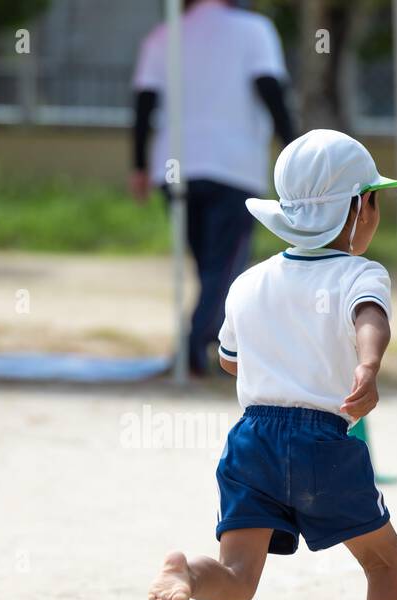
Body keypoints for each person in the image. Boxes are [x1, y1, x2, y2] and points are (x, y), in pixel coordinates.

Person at [147, 129, 397, 600]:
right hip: (321, 445)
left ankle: (186, 573)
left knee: (237, 579)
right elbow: (369, 321)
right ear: (356, 210)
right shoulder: (361, 274)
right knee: (385, 564)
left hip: (252, 441)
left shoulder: (248, 282)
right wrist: (368, 364)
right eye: (373, 200)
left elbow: (228, 359)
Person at [131, 0, 295, 377]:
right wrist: (294, 149)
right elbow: (271, 90)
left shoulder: (162, 35)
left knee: (208, 266)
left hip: (173, 166)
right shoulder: (254, 30)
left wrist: (139, 165)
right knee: (224, 266)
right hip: (232, 165)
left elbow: (143, 103)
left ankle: (209, 349)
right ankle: (196, 346)